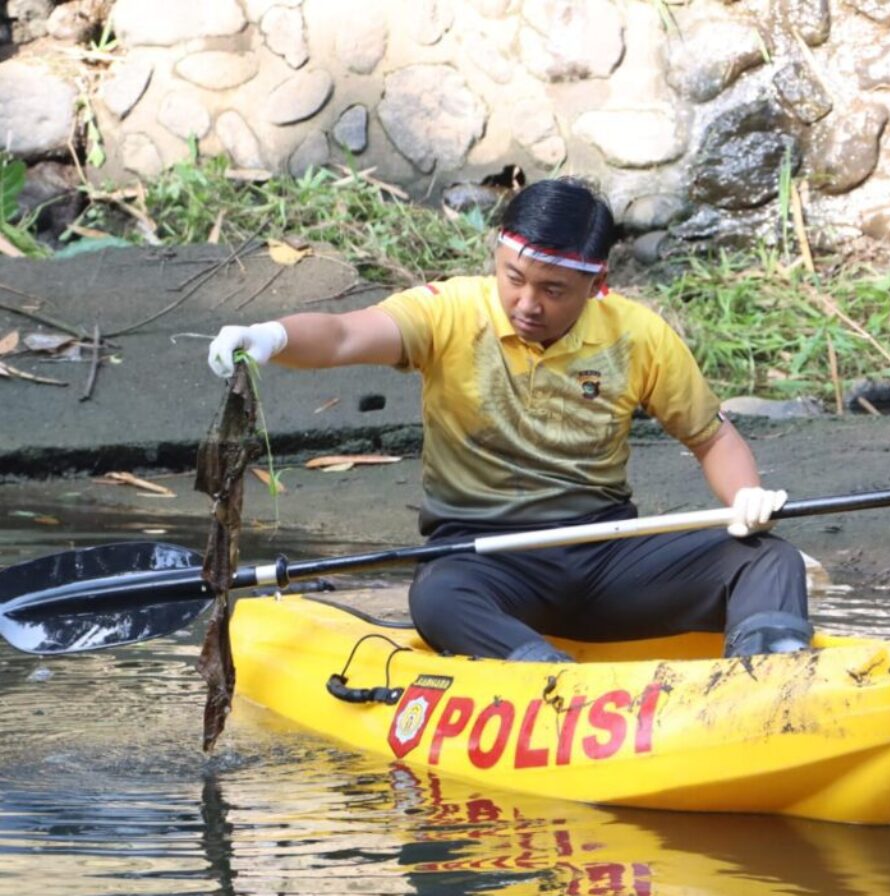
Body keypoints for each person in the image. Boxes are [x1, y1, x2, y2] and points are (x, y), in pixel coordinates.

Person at [208, 177, 811, 662]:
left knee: (766, 557)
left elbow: (712, 437)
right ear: (496, 259)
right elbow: (342, 335)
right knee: (437, 595)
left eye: (553, 290)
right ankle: (543, 677)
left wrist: (748, 498)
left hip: (603, 553)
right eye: (514, 278)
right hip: (484, 559)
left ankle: (772, 678)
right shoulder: (448, 311)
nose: (527, 303)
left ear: (596, 285)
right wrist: (272, 334)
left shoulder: (638, 336)